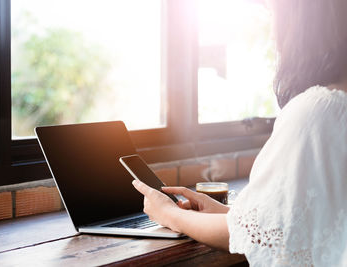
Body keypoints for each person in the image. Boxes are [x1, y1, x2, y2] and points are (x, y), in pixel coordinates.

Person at [132, 0, 347, 266]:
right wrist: (231, 213)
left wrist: (169, 214)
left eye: (273, 14)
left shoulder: (319, 109)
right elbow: (320, 219)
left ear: (304, 21)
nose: (272, 33)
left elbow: (260, 240)